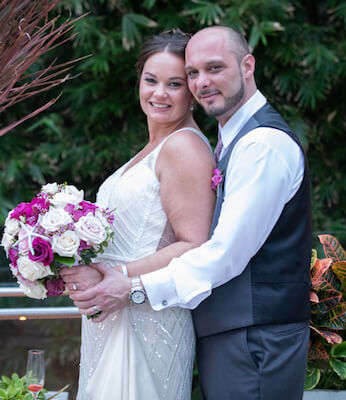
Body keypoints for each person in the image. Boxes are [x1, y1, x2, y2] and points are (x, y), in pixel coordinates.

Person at [69, 25, 312, 400]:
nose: (203, 82)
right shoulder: (230, 143)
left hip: (255, 337)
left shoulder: (261, 145)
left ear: (247, 65)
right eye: (195, 73)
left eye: (214, 68)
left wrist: (131, 287)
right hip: (228, 332)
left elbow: (222, 253)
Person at [60, 29, 215, 400]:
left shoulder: (184, 148)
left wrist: (120, 276)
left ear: (191, 91)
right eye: (151, 80)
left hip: (147, 318)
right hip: (112, 312)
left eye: (174, 84)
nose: (159, 93)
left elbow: (195, 244)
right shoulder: (153, 147)